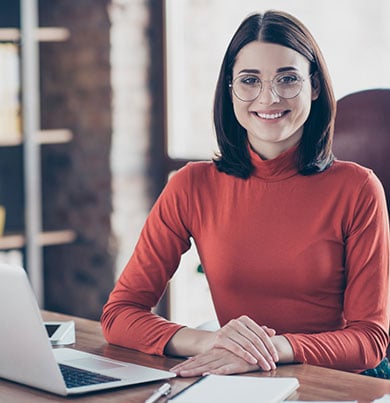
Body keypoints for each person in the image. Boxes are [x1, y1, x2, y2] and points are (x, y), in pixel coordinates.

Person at [101, 10, 389, 377]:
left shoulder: (357, 188)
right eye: (250, 80)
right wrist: (211, 342)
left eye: (288, 79)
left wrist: (268, 349)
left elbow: (369, 340)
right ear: (230, 88)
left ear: (314, 87)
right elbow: (119, 314)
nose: (268, 97)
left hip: (339, 380)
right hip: (240, 377)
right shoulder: (192, 186)